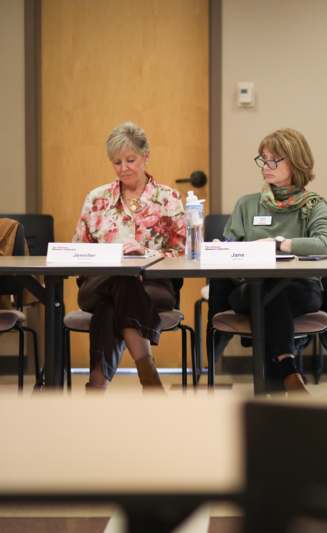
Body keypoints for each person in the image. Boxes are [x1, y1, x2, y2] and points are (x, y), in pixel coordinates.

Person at [218, 128, 327, 393]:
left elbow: (323, 243)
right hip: (249, 288)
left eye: (274, 160)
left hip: (301, 289)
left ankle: (280, 376)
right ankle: (289, 371)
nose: (266, 167)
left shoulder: (314, 205)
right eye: (263, 159)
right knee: (268, 290)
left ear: (295, 162)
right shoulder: (247, 205)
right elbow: (229, 247)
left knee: (273, 293)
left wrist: (279, 244)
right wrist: (223, 249)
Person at [73, 121, 186, 390]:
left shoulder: (168, 198)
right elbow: (79, 251)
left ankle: (96, 386)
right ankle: (147, 370)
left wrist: (145, 252)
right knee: (119, 279)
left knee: (110, 305)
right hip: (97, 284)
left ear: (146, 156)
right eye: (117, 162)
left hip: (154, 286)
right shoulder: (97, 198)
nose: (123, 168)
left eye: (130, 160)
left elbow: (185, 254)